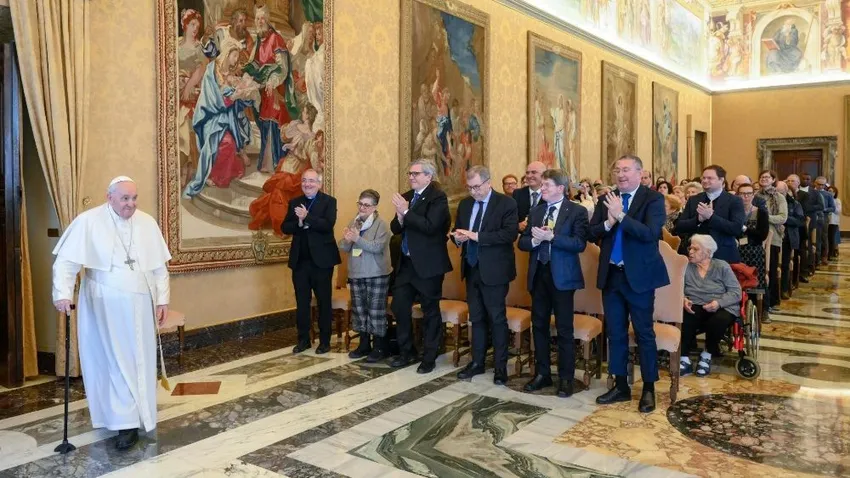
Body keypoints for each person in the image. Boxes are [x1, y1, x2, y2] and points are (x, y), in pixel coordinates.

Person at [52, 177, 171, 451]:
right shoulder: (88, 221)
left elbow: (159, 268)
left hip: (141, 303)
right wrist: (62, 294)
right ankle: (124, 422)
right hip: (104, 303)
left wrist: (162, 300)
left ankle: (139, 415)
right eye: (125, 198)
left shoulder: (147, 222)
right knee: (115, 360)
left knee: (140, 360)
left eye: (134, 198)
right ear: (110, 197)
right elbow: (66, 262)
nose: (131, 204)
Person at [590, 155, 669, 413]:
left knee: (644, 333)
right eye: (617, 170)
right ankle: (620, 385)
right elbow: (591, 233)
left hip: (639, 277)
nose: (621, 175)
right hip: (612, 275)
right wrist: (608, 221)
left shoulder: (652, 198)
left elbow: (650, 233)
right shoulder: (607, 198)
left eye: (626, 170)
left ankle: (648, 388)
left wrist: (621, 216)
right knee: (615, 332)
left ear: (639, 172)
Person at [519, 169, 588, 397]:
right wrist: (534, 241)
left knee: (564, 328)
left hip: (562, 277)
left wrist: (552, 238)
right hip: (538, 274)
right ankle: (543, 373)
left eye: (547, 185)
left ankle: (566, 378)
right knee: (539, 325)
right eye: (542, 185)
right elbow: (522, 242)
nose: (542, 189)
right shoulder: (536, 211)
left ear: (560, 188)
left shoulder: (576, 211)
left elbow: (579, 244)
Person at [452, 166, 518, 385]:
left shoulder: (506, 203)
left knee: (497, 319)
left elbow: (508, 234)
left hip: (495, 270)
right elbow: (458, 229)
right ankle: (477, 362)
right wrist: (457, 238)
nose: (473, 192)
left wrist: (476, 236)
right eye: (469, 187)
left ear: (488, 182)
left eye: (477, 187)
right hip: (471, 268)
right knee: (477, 317)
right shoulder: (465, 204)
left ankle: (500, 367)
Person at [390, 159, 452, 373]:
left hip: (428, 265)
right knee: (399, 306)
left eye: (416, 174)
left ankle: (429, 356)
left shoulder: (438, 197)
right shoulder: (407, 197)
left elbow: (430, 227)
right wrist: (400, 217)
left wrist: (407, 213)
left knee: (430, 311)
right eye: (410, 173)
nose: (411, 177)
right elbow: (395, 228)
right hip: (406, 264)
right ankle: (406, 352)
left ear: (428, 176)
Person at [282, 169, 341, 354]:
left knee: (323, 302)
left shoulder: (329, 201)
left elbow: (327, 225)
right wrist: (299, 223)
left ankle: (325, 341)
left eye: (312, 181)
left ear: (319, 184)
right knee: (302, 302)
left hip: (322, 262)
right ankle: (303, 340)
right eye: (304, 181)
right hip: (300, 261)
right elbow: (285, 227)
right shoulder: (294, 202)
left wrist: (307, 217)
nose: (307, 184)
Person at [339, 189, 392, 362]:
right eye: (360, 204)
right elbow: (344, 247)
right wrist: (347, 239)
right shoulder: (354, 222)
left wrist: (357, 239)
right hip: (356, 273)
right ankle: (363, 345)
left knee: (375, 311)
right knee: (360, 310)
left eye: (366, 205)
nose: (362, 208)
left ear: (375, 207)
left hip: (377, 273)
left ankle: (379, 347)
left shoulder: (381, 225)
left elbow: (377, 247)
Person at [680, 234, 742, 377]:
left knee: (719, 320)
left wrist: (718, 303)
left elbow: (736, 292)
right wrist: (683, 299)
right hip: (695, 303)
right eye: (690, 248)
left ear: (708, 252)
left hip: (722, 306)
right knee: (685, 316)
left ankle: (707, 355)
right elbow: (677, 288)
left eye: (695, 249)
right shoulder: (686, 267)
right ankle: (683, 357)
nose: (690, 252)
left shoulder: (722, 266)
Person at [676, 165, 745, 263]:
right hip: (696, 255)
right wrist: (698, 220)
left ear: (721, 180)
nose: (705, 180)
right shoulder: (694, 200)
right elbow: (680, 226)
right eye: (703, 178)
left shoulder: (734, 200)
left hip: (724, 255)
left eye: (710, 178)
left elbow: (736, 229)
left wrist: (711, 217)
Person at [737, 183, 769, 316]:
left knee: (755, 278)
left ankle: (760, 309)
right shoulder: (734, 212)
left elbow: (762, 235)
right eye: (742, 194)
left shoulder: (761, 213)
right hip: (737, 250)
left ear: (753, 195)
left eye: (748, 194)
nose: (745, 197)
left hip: (754, 251)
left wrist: (745, 229)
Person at [756, 170, 787, 312]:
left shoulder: (779, 197)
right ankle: (760, 301)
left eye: (767, 177)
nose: (764, 179)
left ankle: (772, 302)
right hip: (758, 235)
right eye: (762, 177)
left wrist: (764, 217)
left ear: (773, 180)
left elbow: (782, 217)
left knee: (771, 270)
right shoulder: (755, 196)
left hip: (773, 237)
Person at [513, 161, 546, 231]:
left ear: (544, 175)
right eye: (527, 173)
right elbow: (510, 218)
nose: (529, 176)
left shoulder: (551, 194)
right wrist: (517, 226)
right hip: (522, 235)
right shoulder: (517, 194)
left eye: (534, 172)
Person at [815, 176, 836, 265]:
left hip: (824, 218)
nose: (821, 186)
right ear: (815, 183)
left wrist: (824, 209)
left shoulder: (828, 195)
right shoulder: (811, 193)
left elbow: (833, 208)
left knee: (823, 237)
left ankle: (824, 257)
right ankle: (816, 258)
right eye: (819, 184)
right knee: (814, 238)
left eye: (823, 185)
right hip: (813, 218)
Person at [828, 186, 842, 260]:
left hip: (833, 222)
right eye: (829, 191)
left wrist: (831, 205)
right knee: (825, 238)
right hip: (825, 221)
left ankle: (831, 253)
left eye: (832, 191)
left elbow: (838, 211)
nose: (831, 193)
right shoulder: (825, 199)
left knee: (831, 238)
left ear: (835, 193)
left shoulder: (837, 200)